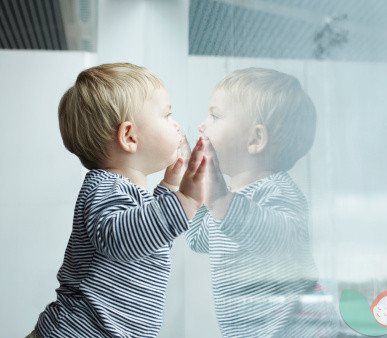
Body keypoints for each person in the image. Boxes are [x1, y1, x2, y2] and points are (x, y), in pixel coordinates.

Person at [27, 63, 207, 337]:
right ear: (129, 136)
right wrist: (184, 201)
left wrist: (170, 186)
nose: (177, 124)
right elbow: (121, 238)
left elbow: (147, 240)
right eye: (167, 114)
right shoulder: (103, 187)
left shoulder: (128, 195)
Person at [186, 68, 334, 337]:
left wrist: (220, 200)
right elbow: (197, 239)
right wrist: (197, 193)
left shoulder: (278, 191)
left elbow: (277, 240)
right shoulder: (227, 202)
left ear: (255, 139)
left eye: (215, 116)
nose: (202, 125)